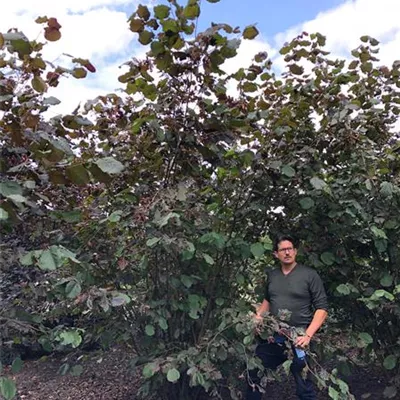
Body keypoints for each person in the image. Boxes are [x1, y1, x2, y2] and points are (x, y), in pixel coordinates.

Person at [246, 234, 328, 400]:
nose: (287, 252)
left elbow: (322, 308)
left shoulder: (309, 275)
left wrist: (308, 335)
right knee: (254, 370)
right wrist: (258, 317)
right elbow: (268, 300)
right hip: (275, 337)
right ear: (276, 254)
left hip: (299, 339)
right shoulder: (273, 276)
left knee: (304, 384)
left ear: (295, 251)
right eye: (283, 250)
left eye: (290, 249)